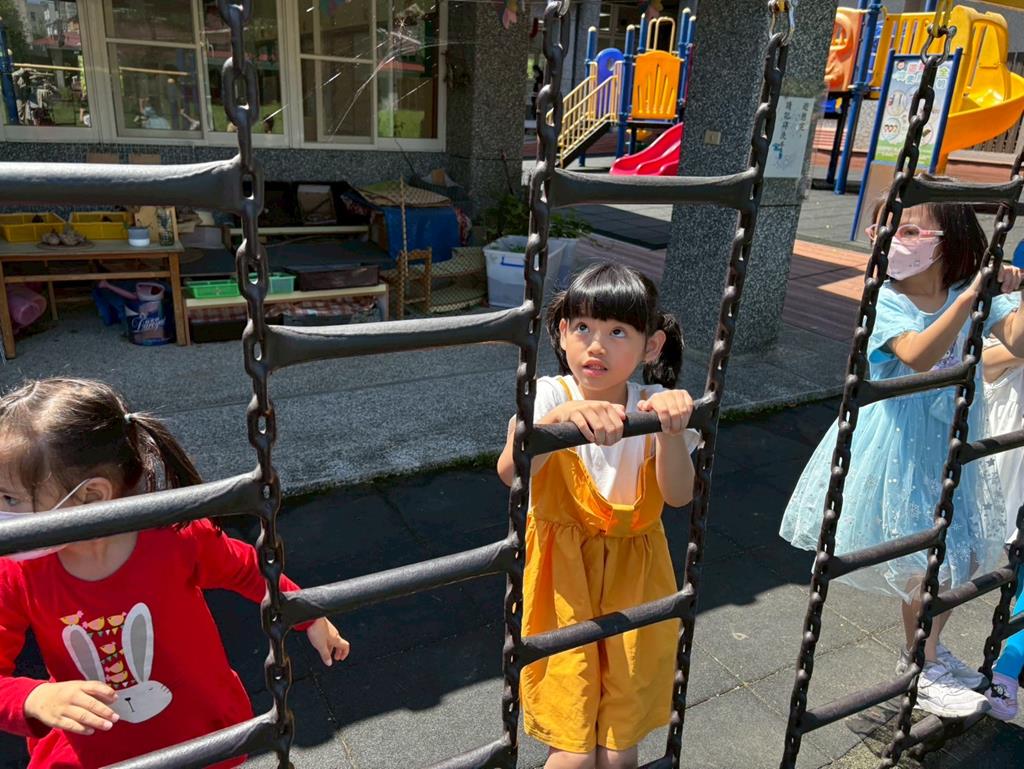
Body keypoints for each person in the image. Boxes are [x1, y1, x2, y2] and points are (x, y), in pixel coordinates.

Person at [0, 378, 349, 769]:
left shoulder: (173, 536)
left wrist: (305, 612)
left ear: (90, 496)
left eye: (10, 498)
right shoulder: (16, 570)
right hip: (97, 752)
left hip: (196, 733)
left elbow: (247, 569)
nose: (2, 511)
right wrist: (32, 698)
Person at [780, 182, 1024, 719]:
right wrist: (971, 298)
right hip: (899, 447)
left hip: (952, 443)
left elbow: (1018, 339)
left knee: (960, 556)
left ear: (949, 239)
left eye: (910, 230)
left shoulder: (966, 288)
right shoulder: (887, 299)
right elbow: (918, 355)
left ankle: (929, 649)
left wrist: (1012, 290)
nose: (893, 241)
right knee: (926, 560)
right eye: (884, 230)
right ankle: (920, 662)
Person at [497, 263, 699, 769]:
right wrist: (558, 423)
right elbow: (509, 471)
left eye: (618, 332)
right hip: (563, 583)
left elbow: (678, 496)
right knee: (573, 748)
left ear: (651, 346)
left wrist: (671, 431)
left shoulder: (652, 405)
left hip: (636, 582)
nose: (597, 346)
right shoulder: (549, 396)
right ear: (563, 332)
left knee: (618, 746)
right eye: (584, 327)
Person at [980, 333, 1024, 720]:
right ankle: (926, 657)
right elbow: (986, 364)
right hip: (999, 490)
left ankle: (1008, 669)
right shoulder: (1004, 343)